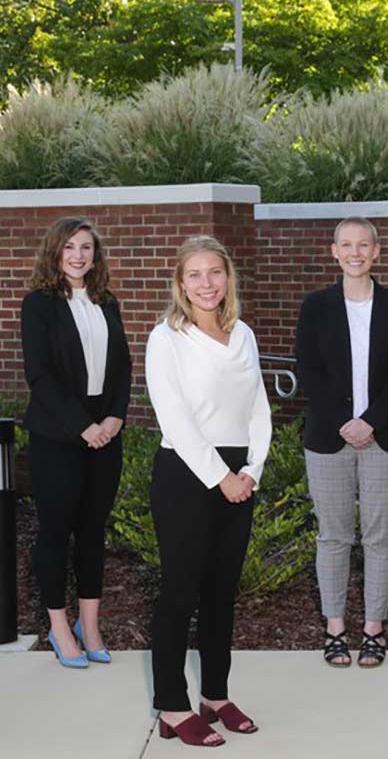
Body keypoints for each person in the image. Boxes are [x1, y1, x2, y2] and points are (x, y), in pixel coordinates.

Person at [145, 235, 272, 747]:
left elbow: (259, 408)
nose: (206, 283)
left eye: (214, 272)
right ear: (180, 283)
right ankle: (172, 705)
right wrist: (222, 477)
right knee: (180, 592)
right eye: (194, 274)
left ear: (228, 278)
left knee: (221, 592)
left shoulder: (243, 334)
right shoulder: (167, 338)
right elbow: (174, 417)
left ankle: (215, 695)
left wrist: (253, 472)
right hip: (187, 474)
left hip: (240, 475)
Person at [295, 217, 388, 668]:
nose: (355, 252)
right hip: (329, 437)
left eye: (363, 244)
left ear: (376, 252)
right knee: (333, 537)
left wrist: (369, 421)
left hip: (384, 436)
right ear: (334, 251)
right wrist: (344, 421)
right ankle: (334, 629)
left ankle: (373, 629)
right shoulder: (316, 306)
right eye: (346, 245)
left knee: (381, 536)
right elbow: (309, 371)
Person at [20, 217, 133, 668]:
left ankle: (90, 623)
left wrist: (114, 417)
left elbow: (123, 366)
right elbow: (40, 376)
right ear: (55, 251)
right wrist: (81, 427)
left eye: (86, 247)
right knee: (55, 532)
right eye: (70, 247)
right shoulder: (38, 305)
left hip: (106, 434)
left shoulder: (107, 302)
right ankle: (60, 627)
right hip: (58, 436)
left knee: (92, 532)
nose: (79, 255)